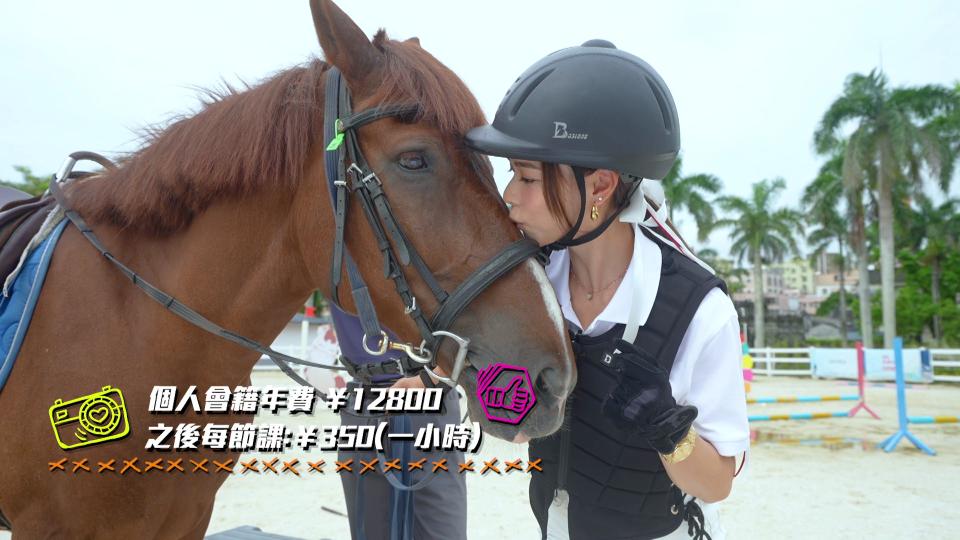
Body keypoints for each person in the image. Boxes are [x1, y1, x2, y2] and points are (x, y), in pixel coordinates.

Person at [465, 40, 749, 540]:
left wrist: (670, 429)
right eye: (513, 175)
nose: (511, 196)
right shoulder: (534, 283)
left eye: (528, 177)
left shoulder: (700, 311)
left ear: (599, 185)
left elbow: (718, 482)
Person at [330, 305, 467, 540]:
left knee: (440, 530)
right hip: (362, 402)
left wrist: (438, 374)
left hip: (427, 397)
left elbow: (478, 314)